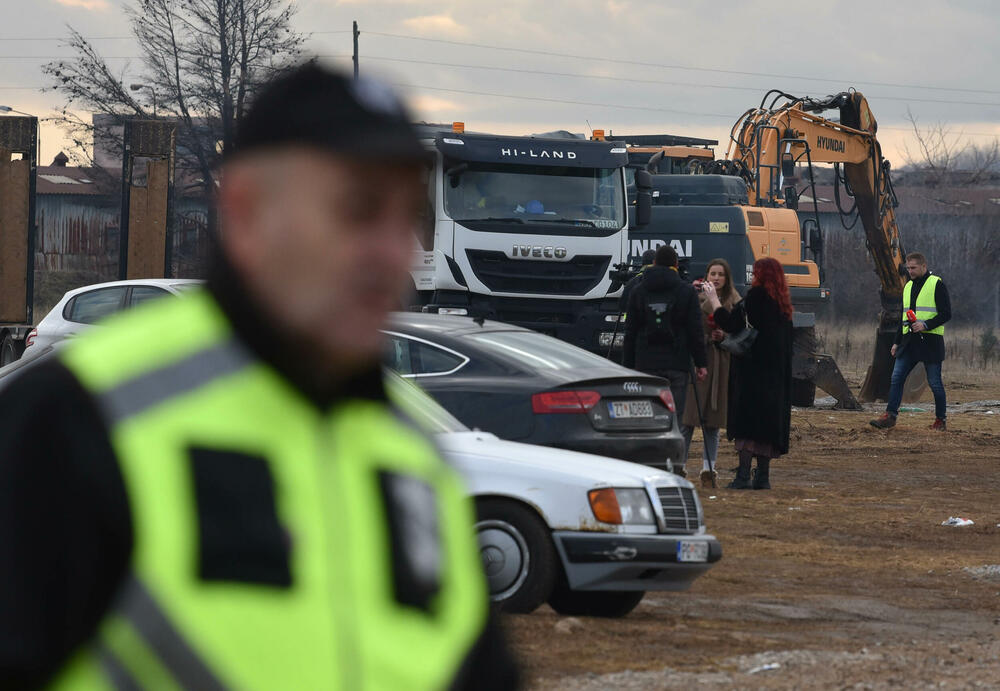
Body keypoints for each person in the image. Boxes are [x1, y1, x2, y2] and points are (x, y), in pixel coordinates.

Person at [0, 64, 517, 689]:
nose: (394, 251)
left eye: (407, 215)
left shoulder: (411, 463)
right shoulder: (82, 419)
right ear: (245, 212)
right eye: (358, 210)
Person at [702, 257, 793, 490]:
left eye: (756, 274)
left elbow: (732, 324)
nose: (753, 278)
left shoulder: (756, 298)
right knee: (766, 429)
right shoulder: (783, 306)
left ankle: (743, 475)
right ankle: (763, 477)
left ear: (761, 276)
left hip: (753, 374)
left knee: (748, 425)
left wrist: (713, 301)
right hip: (775, 378)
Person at [623, 245, 708, 476]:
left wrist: (627, 367)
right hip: (677, 363)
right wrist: (701, 363)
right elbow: (695, 331)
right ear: (676, 265)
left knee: (648, 414)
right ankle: (676, 464)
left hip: (646, 363)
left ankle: (649, 462)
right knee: (676, 417)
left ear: (653, 264)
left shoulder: (638, 291)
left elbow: (630, 333)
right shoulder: (686, 291)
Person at [871, 252, 952, 431]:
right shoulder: (907, 286)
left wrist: (925, 325)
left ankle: (940, 421)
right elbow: (903, 317)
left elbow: (947, 313)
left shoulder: (937, 284)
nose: (910, 271)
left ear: (924, 266)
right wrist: (896, 342)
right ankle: (890, 416)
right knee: (897, 377)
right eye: (908, 268)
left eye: (913, 268)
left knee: (935, 383)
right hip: (908, 342)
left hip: (931, 343)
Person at [681, 259, 741, 489]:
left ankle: (709, 469)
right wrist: (707, 338)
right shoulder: (695, 299)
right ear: (706, 276)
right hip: (698, 362)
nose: (716, 278)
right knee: (687, 419)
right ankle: (680, 465)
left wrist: (724, 337)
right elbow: (689, 330)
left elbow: (737, 330)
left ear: (727, 278)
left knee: (713, 422)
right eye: (712, 273)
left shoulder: (734, 301)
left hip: (720, 363)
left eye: (721, 274)